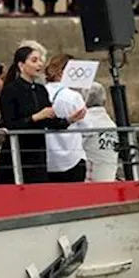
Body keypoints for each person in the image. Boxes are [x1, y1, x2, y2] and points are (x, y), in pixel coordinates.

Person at [0, 43, 85, 186]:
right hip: (18, 151)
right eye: (34, 60)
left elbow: (49, 121)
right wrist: (36, 117)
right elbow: (11, 124)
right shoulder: (11, 90)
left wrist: (69, 120)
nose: (39, 64)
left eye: (40, 60)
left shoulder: (41, 90)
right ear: (21, 65)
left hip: (38, 152)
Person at [42, 55, 89, 183]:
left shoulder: (40, 92)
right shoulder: (73, 96)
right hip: (72, 157)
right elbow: (87, 129)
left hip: (47, 158)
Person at [80, 83, 120, 182]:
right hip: (110, 178)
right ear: (104, 100)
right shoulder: (111, 124)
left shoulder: (84, 122)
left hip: (90, 180)